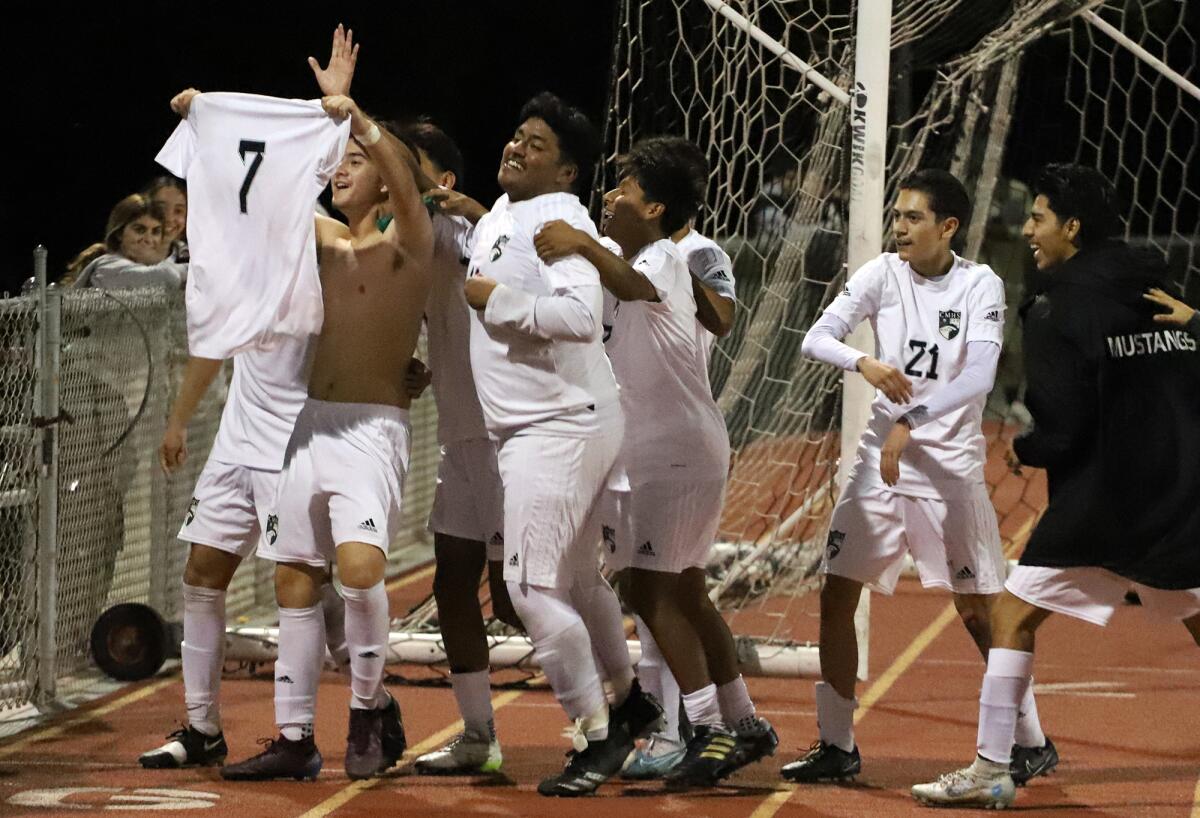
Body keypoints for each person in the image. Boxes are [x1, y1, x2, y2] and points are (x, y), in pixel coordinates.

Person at [912, 164, 1200, 809]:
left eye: (1039, 218)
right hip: (1180, 488)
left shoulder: (1054, 308)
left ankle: (992, 766)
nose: (1030, 231)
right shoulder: (1156, 286)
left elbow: (1063, 426)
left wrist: (1027, 447)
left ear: (1071, 227)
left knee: (1011, 615)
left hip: (1106, 496)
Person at [138, 26, 362, 770]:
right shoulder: (230, 239)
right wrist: (179, 419)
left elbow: (336, 160)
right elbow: (215, 338)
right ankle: (201, 728)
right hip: (240, 433)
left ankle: (299, 737)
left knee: (297, 585)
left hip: (297, 436)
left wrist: (335, 106)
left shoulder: (323, 235)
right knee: (202, 573)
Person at [786, 169, 1053, 786]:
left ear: (948, 226)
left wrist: (913, 415)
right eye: (897, 216)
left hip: (949, 471)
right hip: (881, 462)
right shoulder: (881, 273)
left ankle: (1031, 740)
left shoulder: (979, 284)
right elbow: (815, 339)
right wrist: (866, 363)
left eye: (912, 218)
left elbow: (980, 375)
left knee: (980, 611)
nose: (899, 227)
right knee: (836, 591)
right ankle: (836, 743)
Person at [534, 135, 776, 788]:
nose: (612, 196)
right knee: (683, 592)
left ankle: (707, 730)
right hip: (653, 450)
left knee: (650, 589)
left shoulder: (674, 257)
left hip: (674, 452)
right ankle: (743, 722)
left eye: (628, 189)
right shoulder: (624, 256)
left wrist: (583, 243)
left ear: (657, 207)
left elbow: (672, 295)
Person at [461, 91, 660, 797]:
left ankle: (596, 734)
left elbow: (580, 314)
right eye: (516, 134)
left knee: (528, 587)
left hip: (558, 427)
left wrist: (498, 303)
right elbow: (489, 248)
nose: (516, 146)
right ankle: (630, 699)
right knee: (575, 578)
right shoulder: (500, 215)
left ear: (568, 172)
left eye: (536, 144)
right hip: (551, 423)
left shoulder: (557, 218)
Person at [400, 119, 517, 776]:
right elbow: (442, 323)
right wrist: (423, 368)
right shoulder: (418, 243)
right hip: (461, 440)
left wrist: (359, 123)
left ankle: (629, 697)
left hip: (508, 440)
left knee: (513, 598)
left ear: (441, 182)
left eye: (404, 163)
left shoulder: (470, 231)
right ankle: (479, 733)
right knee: (451, 585)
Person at [65, 194, 186, 289]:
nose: (148, 239)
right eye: (140, 230)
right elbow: (167, 277)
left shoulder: (144, 269)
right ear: (119, 234)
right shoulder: (106, 266)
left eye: (155, 232)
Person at [143, 175, 189, 262]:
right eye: (160, 209)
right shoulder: (119, 257)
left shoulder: (195, 259)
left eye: (178, 211)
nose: (169, 218)